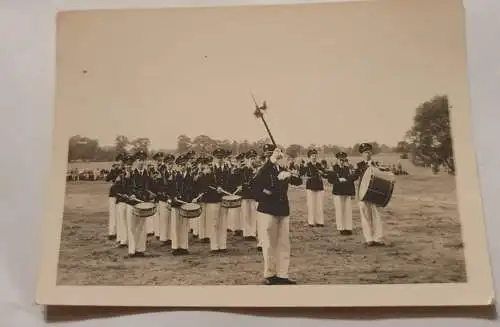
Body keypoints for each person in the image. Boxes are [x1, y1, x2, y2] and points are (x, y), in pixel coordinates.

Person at [253, 144, 303, 285]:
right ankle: (269, 274)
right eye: (271, 154)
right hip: (267, 209)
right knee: (268, 243)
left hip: (282, 209)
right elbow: (256, 181)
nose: (276, 156)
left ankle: (282, 274)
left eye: (276, 154)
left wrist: (290, 173)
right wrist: (271, 162)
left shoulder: (283, 168)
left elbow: (298, 181)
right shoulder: (263, 169)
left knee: (283, 243)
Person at [351, 143, 385, 246]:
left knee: (376, 215)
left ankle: (378, 238)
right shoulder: (359, 165)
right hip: (363, 193)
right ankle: (369, 239)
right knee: (365, 216)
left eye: (369, 151)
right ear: (362, 154)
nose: (367, 154)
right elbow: (354, 177)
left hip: (374, 193)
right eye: (365, 152)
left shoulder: (376, 164)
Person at [126, 150, 154, 257]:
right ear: (135, 161)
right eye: (139, 160)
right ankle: (132, 250)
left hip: (143, 204)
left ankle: (140, 249)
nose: (141, 162)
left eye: (143, 160)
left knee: (142, 227)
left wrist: (151, 195)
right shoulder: (130, 174)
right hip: (132, 204)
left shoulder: (147, 174)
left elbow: (150, 188)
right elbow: (126, 187)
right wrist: (131, 194)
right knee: (132, 227)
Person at [327, 152, 355, 235]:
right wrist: (338, 180)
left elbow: (351, 181)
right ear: (337, 160)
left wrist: (353, 193)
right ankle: (341, 228)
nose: (342, 161)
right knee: (339, 210)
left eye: (343, 160)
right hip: (338, 191)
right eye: (340, 160)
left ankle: (348, 228)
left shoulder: (347, 168)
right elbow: (330, 180)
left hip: (347, 191)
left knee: (348, 210)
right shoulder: (334, 168)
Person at [300, 149, 327, 227]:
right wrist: (303, 166)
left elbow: (325, 174)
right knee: (311, 204)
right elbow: (301, 173)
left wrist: (323, 173)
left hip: (319, 186)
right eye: (312, 156)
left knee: (319, 204)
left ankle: (320, 221)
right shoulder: (307, 165)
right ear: (309, 157)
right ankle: (311, 222)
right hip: (310, 186)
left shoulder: (319, 165)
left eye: (315, 156)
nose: (314, 157)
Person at [239, 149, 259, 242]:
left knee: (254, 214)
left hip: (254, 195)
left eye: (254, 158)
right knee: (246, 214)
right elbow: (238, 181)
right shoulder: (242, 169)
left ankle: (253, 232)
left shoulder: (258, 170)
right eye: (250, 158)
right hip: (245, 194)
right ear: (247, 159)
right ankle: (247, 233)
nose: (252, 160)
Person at [105, 154, 124, 241]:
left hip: (121, 194)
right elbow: (107, 179)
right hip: (113, 193)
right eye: (119, 160)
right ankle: (112, 232)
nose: (121, 162)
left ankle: (119, 233)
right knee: (113, 214)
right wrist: (112, 170)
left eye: (122, 161)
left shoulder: (125, 170)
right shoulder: (114, 170)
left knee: (120, 215)